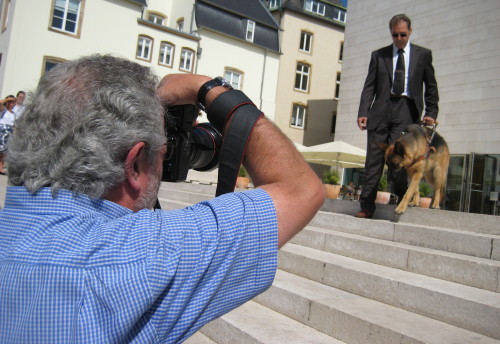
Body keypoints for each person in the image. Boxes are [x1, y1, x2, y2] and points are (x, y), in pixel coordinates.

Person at [0, 55, 325, 342]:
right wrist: (208, 88)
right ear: (136, 165)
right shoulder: (137, 257)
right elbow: (300, 189)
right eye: (162, 153)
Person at [355, 14, 439, 219]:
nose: (399, 38)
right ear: (391, 33)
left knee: (400, 159)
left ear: (410, 31)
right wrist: (363, 112)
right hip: (380, 111)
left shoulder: (423, 55)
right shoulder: (379, 55)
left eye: (403, 34)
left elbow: (431, 87)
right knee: (373, 160)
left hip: (406, 111)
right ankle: (367, 206)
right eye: (395, 35)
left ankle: (404, 197)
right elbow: (369, 87)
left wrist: (431, 112)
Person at [0, 95, 17, 174]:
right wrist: (7, 99)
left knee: (4, 152)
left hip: (8, 133)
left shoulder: (13, 113)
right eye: (11, 102)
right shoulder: (3, 110)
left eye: (13, 102)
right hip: (2, 131)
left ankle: (1, 168)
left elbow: (14, 125)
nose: (12, 103)